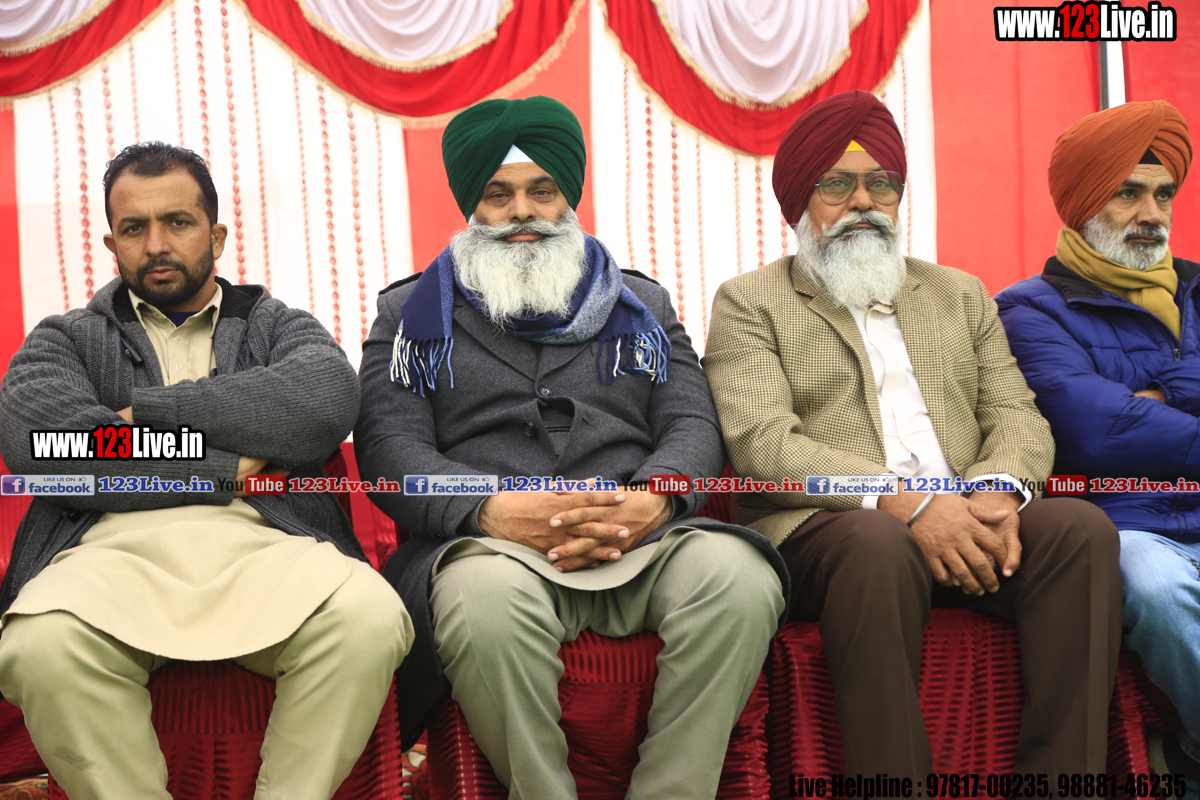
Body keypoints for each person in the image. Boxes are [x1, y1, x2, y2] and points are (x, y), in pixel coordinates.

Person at [354, 96, 787, 800]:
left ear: (568, 199)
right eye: (498, 195)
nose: (522, 212)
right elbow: (389, 449)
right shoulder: (410, 315)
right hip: (494, 548)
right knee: (480, 601)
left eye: (541, 190)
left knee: (740, 578)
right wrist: (488, 509)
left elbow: (692, 422)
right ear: (472, 206)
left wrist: (653, 499)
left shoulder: (642, 304)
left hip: (639, 537)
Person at [703, 89, 1122, 781]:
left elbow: (1016, 415)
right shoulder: (751, 302)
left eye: (881, 183)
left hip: (970, 515)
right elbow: (762, 442)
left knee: (1079, 531)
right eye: (836, 185)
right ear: (800, 202)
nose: (863, 202)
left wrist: (993, 493)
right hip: (832, 529)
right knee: (878, 544)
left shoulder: (959, 293)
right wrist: (908, 503)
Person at [0, 142, 411, 800]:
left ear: (215, 236)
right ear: (111, 244)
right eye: (134, 228)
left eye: (178, 222)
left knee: (367, 618)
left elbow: (325, 400)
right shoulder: (66, 338)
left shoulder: (275, 325)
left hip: (269, 547)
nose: (156, 244)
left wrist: (150, 412)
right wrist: (224, 466)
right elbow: (46, 445)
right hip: (106, 557)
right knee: (41, 645)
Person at [996, 99, 1200, 787]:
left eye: (1163, 195)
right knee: (1156, 585)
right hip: (1124, 524)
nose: (1151, 214)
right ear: (1084, 203)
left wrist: (1161, 393)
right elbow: (1098, 432)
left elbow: (1124, 413)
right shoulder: (1028, 309)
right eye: (1128, 193)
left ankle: (1188, 760)